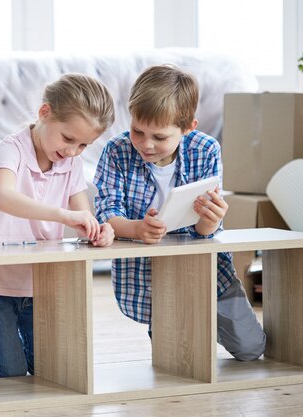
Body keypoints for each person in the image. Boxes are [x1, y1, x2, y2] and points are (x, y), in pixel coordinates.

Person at [93, 64, 266, 361]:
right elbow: (106, 212)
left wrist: (210, 222)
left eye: (159, 137)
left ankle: (205, 317)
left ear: (188, 128)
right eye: (137, 131)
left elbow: (206, 231)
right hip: (151, 273)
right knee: (180, 359)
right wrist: (136, 229)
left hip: (206, 265)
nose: (146, 144)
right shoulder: (117, 150)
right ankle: (195, 322)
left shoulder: (206, 149)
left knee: (252, 349)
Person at [0, 73, 116, 378]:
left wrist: (98, 231)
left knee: (40, 367)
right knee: (11, 372)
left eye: (83, 145)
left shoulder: (70, 163)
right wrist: (63, 215)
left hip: (38, 280)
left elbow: (83, 215)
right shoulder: (12, 149)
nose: (72, 151)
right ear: (45, 113)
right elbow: (4, 197)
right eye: (68, 139)